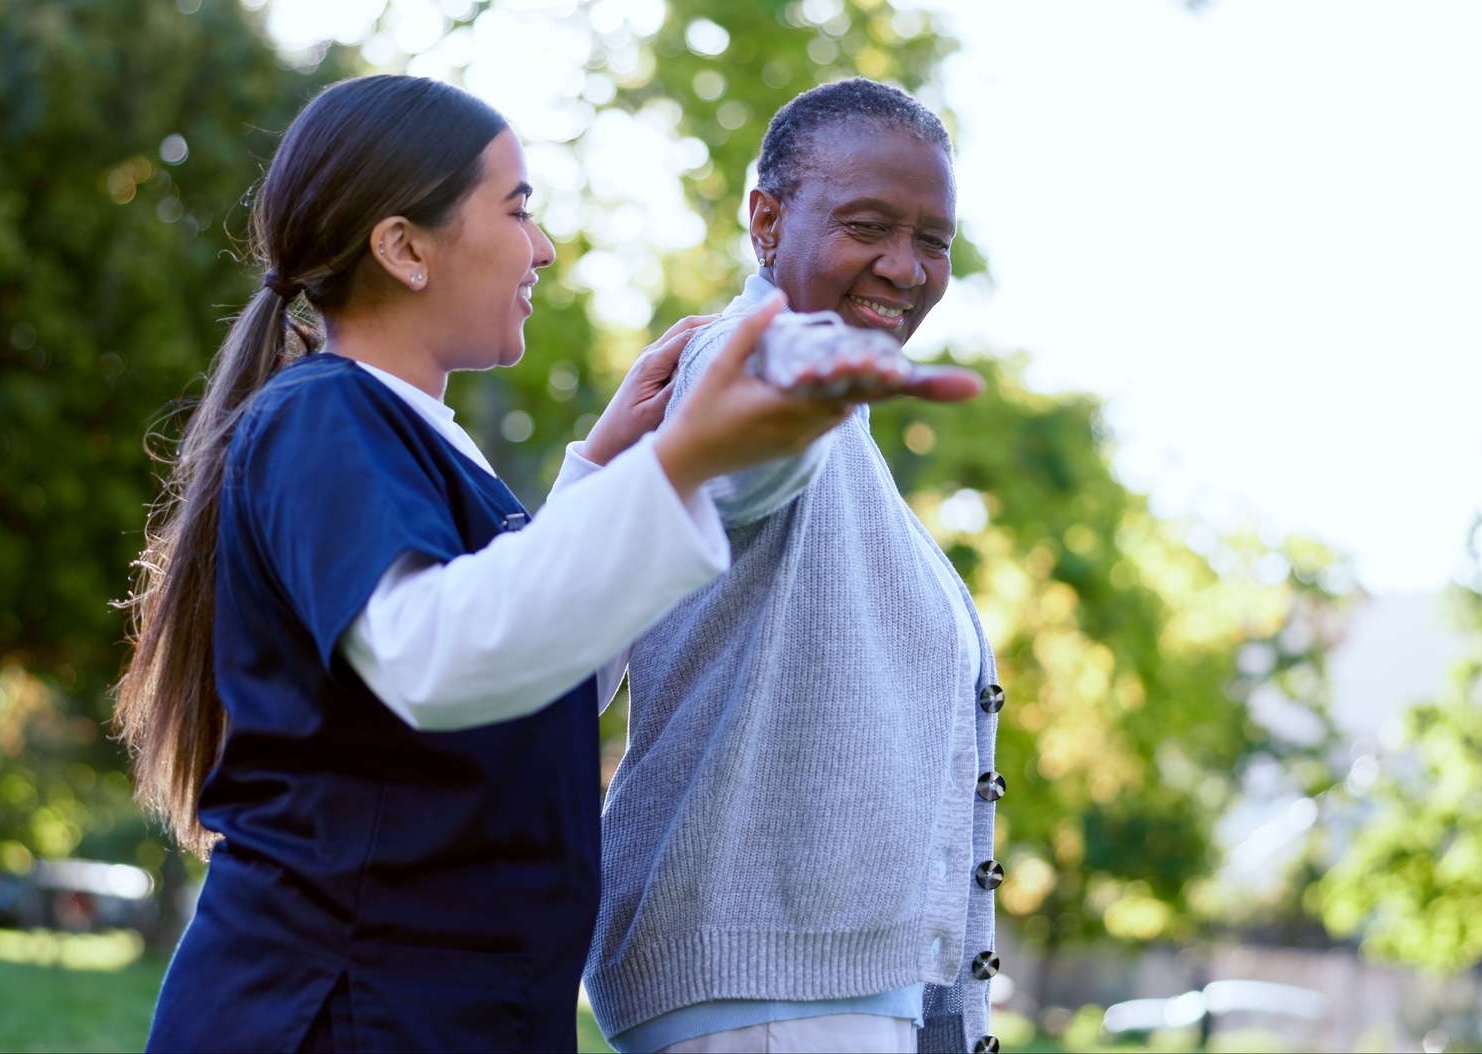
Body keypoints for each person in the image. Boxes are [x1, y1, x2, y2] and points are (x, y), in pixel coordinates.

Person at [111, 75, 906, 1052]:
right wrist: (679, 463)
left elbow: (535, 673)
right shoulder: (319, 414)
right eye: (517, 209)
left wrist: (607, 469)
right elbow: (430, 656)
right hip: (333, 1017)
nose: (544, 247)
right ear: (404, 248)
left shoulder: (421, 444)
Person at [584, 79, 1005, 1054]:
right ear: (765, 222)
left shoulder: (836, 422)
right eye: (867, 225)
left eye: (932, 240)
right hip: (767, 1005)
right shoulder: (747, 359)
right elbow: (743, 468)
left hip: (818, 1000)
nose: (905, 267)